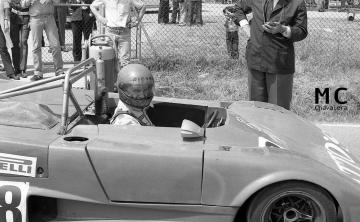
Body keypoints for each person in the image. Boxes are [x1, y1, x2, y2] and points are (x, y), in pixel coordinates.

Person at [233, 0, 308, 110]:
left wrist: (283, 29)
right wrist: (246, 27)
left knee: (278, 111)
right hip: (255, 59)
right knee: (256, 110)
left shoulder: (297, 2)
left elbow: (302, 31)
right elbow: (238, 8)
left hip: (279, 62)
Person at [90, 0, 146, 70]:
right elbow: (92, 6)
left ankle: (123, 80)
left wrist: (137, 21)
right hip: (110, 33)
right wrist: (100, 17)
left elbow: (143, 6)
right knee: (110, 59)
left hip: (124, 33)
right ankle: (112, 79)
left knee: (125, 61)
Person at [21, 0, 64, 81]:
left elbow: (58, 2)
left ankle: (59, 71)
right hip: (35, 18)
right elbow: (23, 4)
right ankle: (38, 73)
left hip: (49, 17)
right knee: (36, 46)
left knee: (55, 45)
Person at [9, 0, 30, 78]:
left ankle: (23, 69)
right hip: (14, 17)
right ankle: (17, 69)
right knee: (15, 43)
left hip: (26, 18)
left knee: (23, 42)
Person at [0, 0, 17, 79]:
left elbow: (6, 8)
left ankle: (10, 72)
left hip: (1, 25)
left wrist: (6, 20)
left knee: (3, 47)